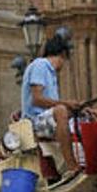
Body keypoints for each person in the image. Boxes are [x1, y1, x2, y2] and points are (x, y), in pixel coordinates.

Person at [21, 34, 83, 180]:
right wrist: (66, 104)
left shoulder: (50, 73)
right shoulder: (41, 65)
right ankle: (71, 166)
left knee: (86, 116)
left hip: (47, 120)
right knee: (61, 111)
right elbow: (37, 99)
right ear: (62, 55)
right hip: (34, 123)